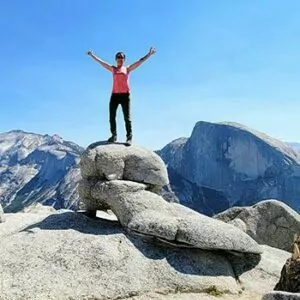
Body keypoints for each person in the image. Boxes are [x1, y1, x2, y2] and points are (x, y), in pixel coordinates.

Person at [87, 47, 156, 145]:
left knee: (127, 118)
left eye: (122, 57)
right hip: (114, 95)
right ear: (116, 59)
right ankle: (114, 135)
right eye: (118, 57)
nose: (120, 59)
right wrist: (92, 55)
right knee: (112, 116)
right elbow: (101, 62)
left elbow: (140, 61)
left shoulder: (127, 69)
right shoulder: (113, 69)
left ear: (124, 59)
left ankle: (129, 137)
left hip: (125, 96)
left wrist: (149, 54)